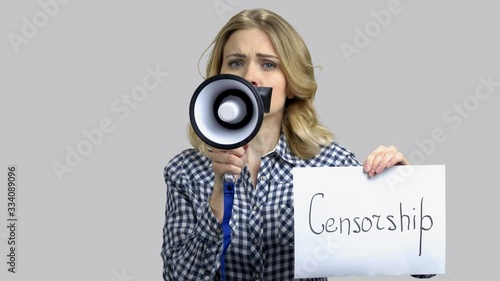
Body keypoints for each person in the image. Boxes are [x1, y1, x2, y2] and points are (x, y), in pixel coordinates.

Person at [161, 8, 435, 281]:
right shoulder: (186, 171)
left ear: (291, 83)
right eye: (235, 63)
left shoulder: (329, 164)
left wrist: (404, 193)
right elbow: (177, 277)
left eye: (268, 64)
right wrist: (218, 198)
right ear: (218, 77)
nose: (249, 77)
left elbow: (423, 266)